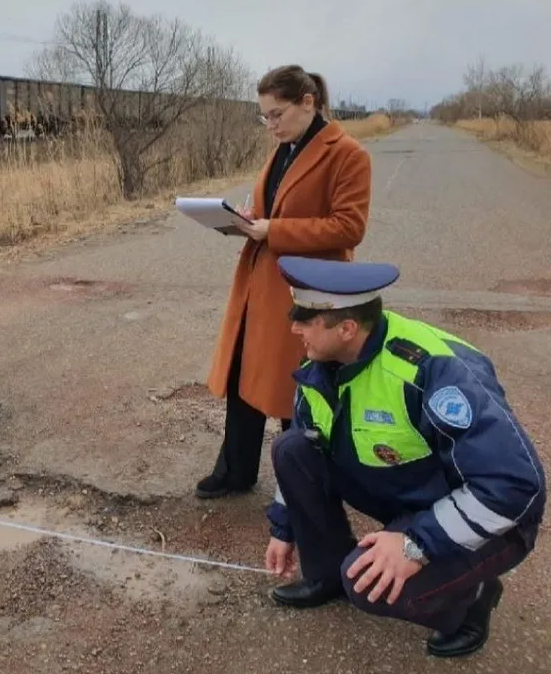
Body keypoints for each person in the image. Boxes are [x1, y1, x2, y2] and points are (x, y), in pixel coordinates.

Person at [265, 255, 546, 658]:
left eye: (306, 320)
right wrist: (283, 527)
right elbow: (308, 434)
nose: (293, 327)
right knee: (292, 449)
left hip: (492, 518)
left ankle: (473, 598)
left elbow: (517, 486)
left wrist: (417, 544)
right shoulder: (322, 362)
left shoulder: (432, 370)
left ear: (346, 328)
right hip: (408, 488)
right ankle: (325, 574)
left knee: (364, 584)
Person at [197, 64, 373, 499]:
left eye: (276, 114)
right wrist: (249, 220)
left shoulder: (347, 153)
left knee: (297, 387)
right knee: (244, 374)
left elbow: (349, 228)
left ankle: (307, 485)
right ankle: (236, 470)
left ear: (308, 104)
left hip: (307, 290)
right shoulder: (284, 148)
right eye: (264, 116)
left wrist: (273, 230)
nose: (270, 124)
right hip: (260, 281)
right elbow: (276, 206)